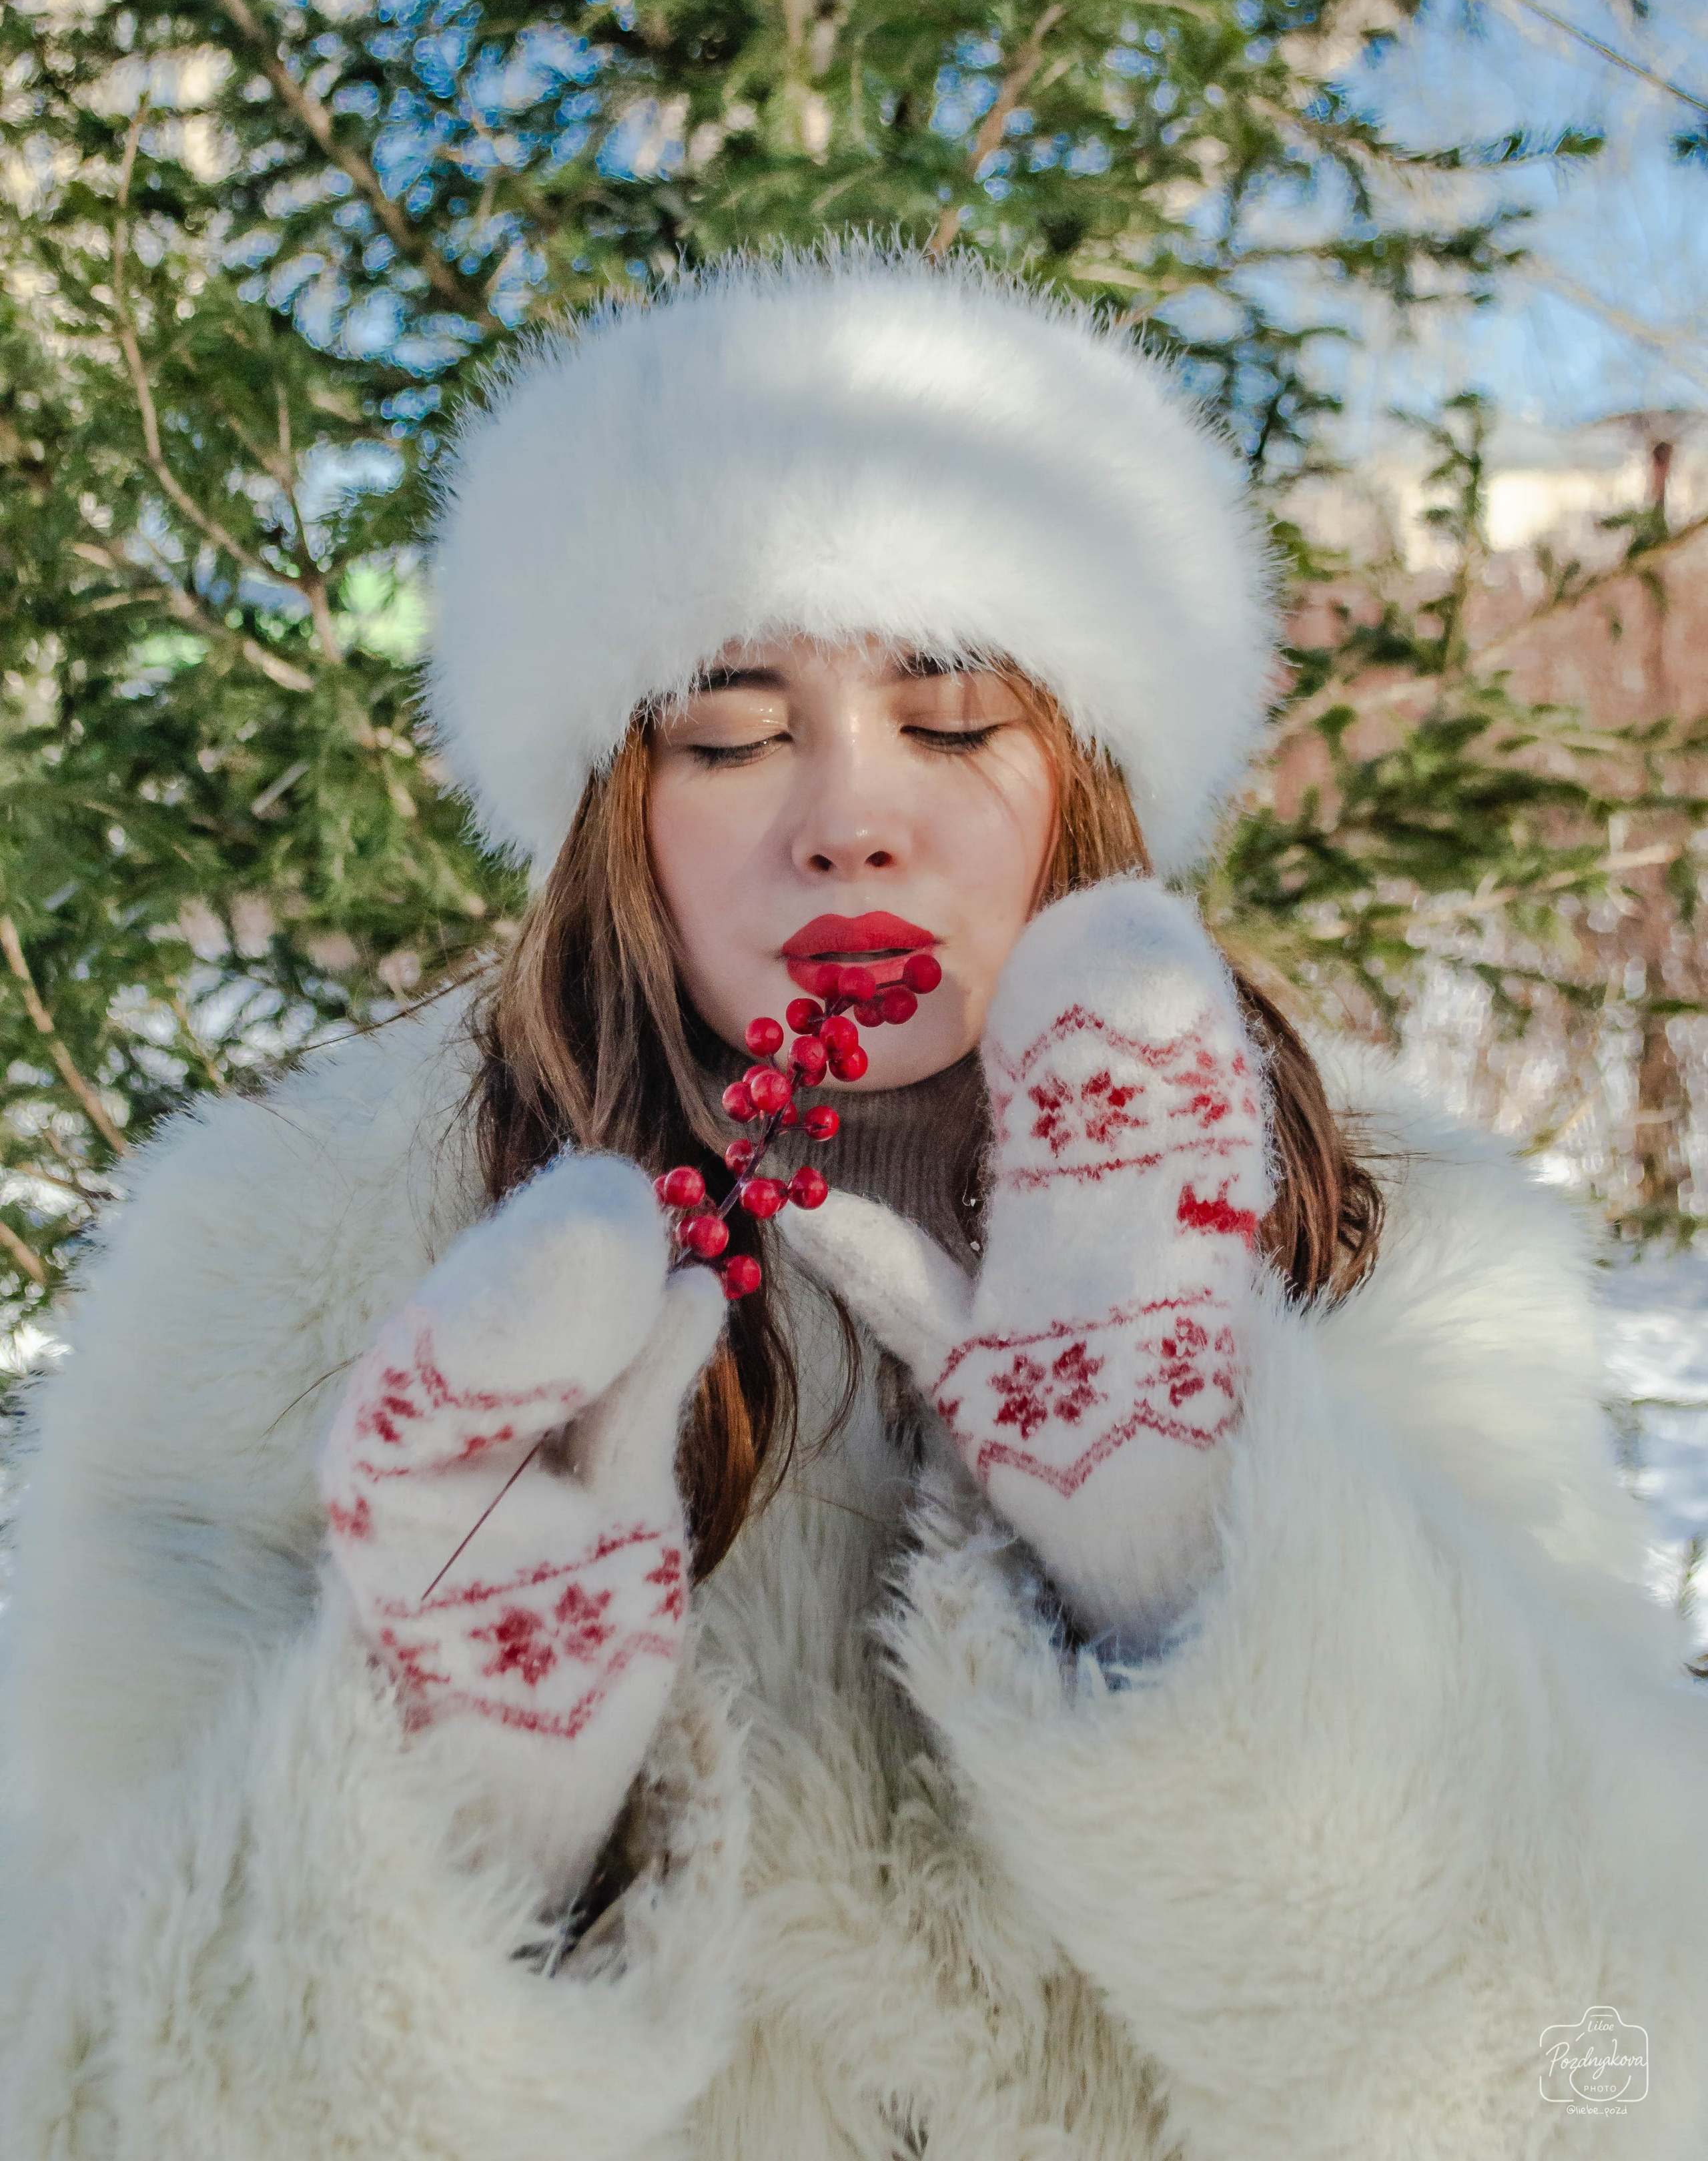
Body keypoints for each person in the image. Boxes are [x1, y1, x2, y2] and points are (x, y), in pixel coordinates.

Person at [1, 251, 1703, 2160]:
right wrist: (458, 1833)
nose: (848, 816)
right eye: (728, 736)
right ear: (606, 812)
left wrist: (1202, 1576)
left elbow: (1610, 2083)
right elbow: (83, 2104)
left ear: (1087, 785)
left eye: (957, 715)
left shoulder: (1402, 1264)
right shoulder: (291, 1283)